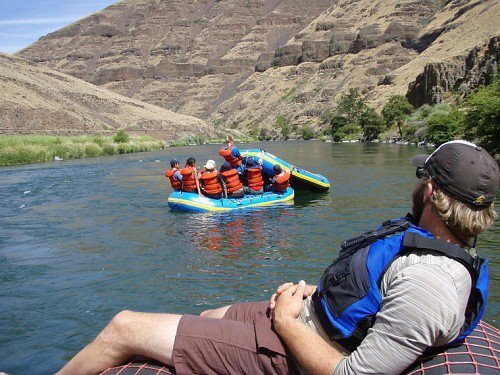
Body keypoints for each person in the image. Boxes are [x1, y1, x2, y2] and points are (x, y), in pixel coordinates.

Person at [58, 140, 498, 375]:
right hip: (315, 314)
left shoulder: (430, 283)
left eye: (422, 177)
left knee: (122, 327)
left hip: (299, 349)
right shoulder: (423, 244)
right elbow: (375, 293)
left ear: (432, 192)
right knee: (212, 312)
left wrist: (288, 322)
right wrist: (314, 296)